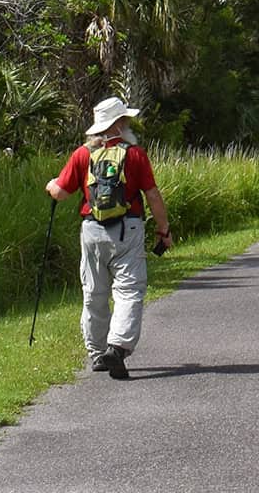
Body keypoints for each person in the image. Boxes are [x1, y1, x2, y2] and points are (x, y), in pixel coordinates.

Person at [43, 95, 173, 379]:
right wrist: (163, 230)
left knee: (94, 293)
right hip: (128, 228)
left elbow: (61, 193)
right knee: (128, 290)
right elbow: (152, 195)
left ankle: (98, 353)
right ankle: (117, 347)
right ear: (120, 123)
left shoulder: (82, 154)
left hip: (92, 230)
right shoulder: (135, 154)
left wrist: (51, 185)